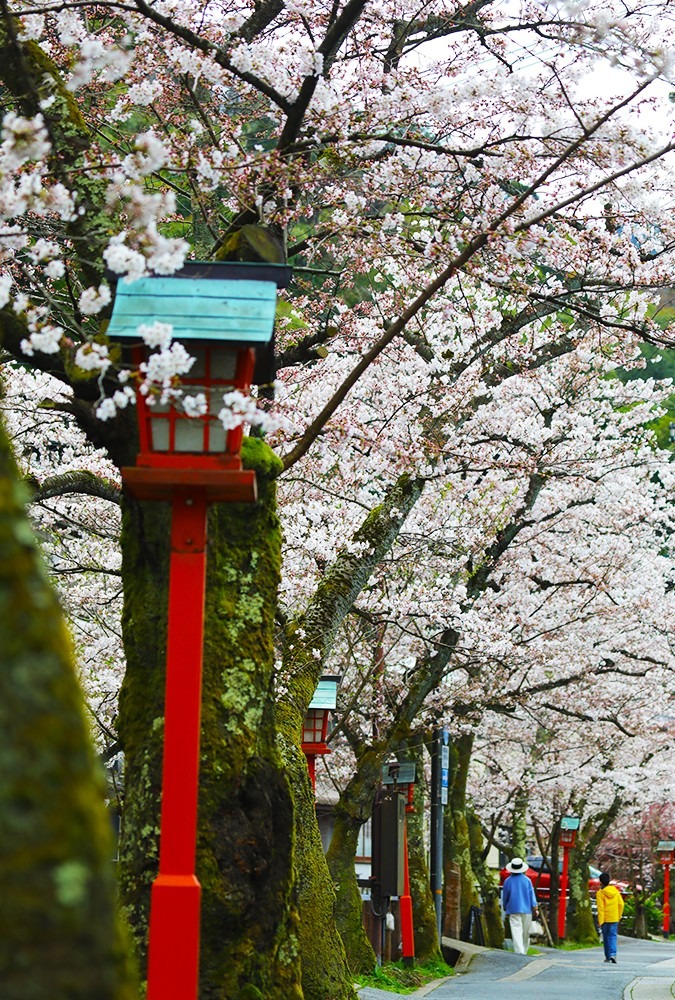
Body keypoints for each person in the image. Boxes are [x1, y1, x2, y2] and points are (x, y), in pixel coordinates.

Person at [502, 857, 539, 954]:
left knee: (516, 930)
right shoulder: (527, 881)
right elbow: (532, 895)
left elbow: (505, 896)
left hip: (513, 909)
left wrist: (505, 906)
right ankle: (524, 950)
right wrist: (534, 907)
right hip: (527, 910)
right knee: (526, 932)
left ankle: (519, 952)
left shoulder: (507, 881)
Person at [596, 872, 624, 963]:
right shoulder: (615, 891)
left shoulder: (600, 893)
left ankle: (608, 956)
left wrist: (600, 921)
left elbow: (600, 908)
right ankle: (613, 954)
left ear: (601, 882)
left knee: (606, 937)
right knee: (612, 936)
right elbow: (621, 904)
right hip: (614, 917)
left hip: (605, 918)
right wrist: (618, 916)